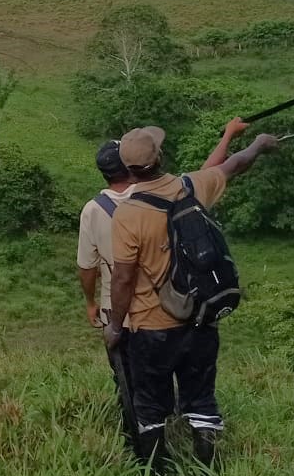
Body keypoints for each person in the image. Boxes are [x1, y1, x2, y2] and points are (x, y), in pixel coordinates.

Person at [102, 122, 277, 471]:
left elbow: (122, 279)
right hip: (200, 317)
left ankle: (156, 475)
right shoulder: (191, 187)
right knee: (201, 396)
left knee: (150, 405)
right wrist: (259, 143)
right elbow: (235, 164)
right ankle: (207, 470)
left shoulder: (127, 215)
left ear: (127, 170)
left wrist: (115, 327)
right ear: (160, 157)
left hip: (151, 328)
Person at [78, 119, 249, 448]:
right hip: (194, 310)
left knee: (140, 392)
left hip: (140, 320)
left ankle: (148, 460)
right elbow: (220, 169)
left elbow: (96, 270)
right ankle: (204, 457)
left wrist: (102, 314)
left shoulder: (100, 211)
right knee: (199, 391)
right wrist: (233, 135)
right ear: (155, 159)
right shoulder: (181, 189)